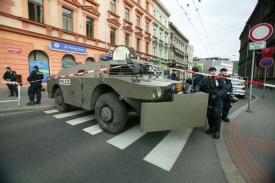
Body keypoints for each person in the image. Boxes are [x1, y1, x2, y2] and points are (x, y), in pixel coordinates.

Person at [195, 67, 227, 139]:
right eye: (212, 71)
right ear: (209, 72)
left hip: (217, 100)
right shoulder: (205, 79)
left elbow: (224, 89)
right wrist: (197, 88)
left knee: (217, 115)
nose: (213, 72)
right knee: (209, 114)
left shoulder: (219, 79)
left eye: (214, 71)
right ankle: (211, 128)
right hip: (208, 99)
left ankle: (217, 131)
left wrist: (216, 95)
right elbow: (199, 84)